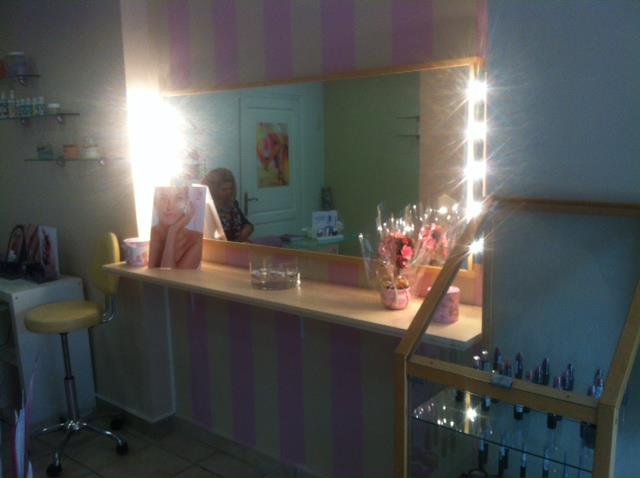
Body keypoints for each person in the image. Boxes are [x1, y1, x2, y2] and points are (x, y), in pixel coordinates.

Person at [148, 186, 203, 269]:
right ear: (155, 203)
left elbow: (168, 277)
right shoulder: (146, 237)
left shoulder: (197, 240)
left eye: (178, 198)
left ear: (187, 204)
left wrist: (172, 232)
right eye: (163, 198)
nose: (170, 207)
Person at [201, 168, 254, 242]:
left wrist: (246, 230)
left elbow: (246, 224)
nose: (229, 192)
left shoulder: (232, 204)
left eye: (230, 188)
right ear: (213, 190)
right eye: (224, 189)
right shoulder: (206, 209)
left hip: (237, 246)